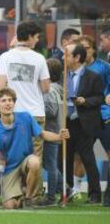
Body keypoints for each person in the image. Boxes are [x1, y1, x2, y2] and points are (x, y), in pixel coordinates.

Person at [0, 88, 69, 209]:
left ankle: (28, 198)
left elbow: (43, 134)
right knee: (10, 206)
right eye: (3, 101)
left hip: (26, 161)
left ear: (14, 103)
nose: (8, 103)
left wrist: (59, 136)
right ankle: (20, 195)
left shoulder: (25, 117)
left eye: (10, 100)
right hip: (9, 169)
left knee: (35, 162)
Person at [0, 20, 50, 197]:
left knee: (14, 155)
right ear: (29, 37)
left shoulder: (5, 57)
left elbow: (1, 85)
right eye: (36, 37)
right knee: (35, 157)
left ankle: (15, 193)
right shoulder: (39, 58)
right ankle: (33, 196)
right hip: (35, 113)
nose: (37, 40)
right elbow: (46, 88)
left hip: (12, 113)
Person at [64, 42, 103, 204]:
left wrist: (85, 101)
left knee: (87, 158)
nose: (63, 58)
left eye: (66, 55)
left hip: (84, 123)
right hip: (65, 123)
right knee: (65, 159)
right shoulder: (62, 75)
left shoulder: (94, 76)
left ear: (77, 57)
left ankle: (94, 194)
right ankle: (67, 191)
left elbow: (100, 98)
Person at [78, 35, 110, 206]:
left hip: (105, 117)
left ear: (93, 49)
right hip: (85, 118)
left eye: (87, 47)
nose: (85, 51)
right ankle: (93, 193)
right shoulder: (77, 69)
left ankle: (108, 197)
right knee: (85, 156)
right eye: (81, 48)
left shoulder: (104, 67)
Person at [37, 58, 64, 206]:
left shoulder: (50, 90)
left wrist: (35, 106)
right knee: (49, 165)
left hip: (50, 131)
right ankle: (65, 188)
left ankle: (51, 197)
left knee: (50, 165)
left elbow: (51, 110)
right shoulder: (58, 87)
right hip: (54, 130)